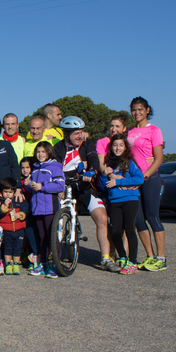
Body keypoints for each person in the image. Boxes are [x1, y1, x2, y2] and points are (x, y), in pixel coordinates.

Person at [53, 116, 115, 273]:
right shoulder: (58, 148)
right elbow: (55, 166)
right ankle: (53, 253)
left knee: (101, 217)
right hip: (65, 187)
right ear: (67, 134)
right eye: (76, 133)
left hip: (85, 187)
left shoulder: (87, 144)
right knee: (52, 216)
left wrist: (91, 171)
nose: (80, 136)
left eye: (81, 132)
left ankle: (106, 258)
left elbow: (94, 159)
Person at [128, 96, 166, 271]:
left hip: (150, 178)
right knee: (138, 220)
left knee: (152, 217)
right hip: (134, 180)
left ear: (147, 110)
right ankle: (150, 257)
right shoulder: (129, 132)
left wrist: (145, 176)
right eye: (134, 110)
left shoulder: (154, 130)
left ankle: (161, 258)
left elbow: (158, 159)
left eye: (140, 109)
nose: (137, 113)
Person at [99, 134, 144, 275]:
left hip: (130, 199)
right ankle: (123, 256)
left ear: (125, 147)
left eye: (121, 145)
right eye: (115, 145)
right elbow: (102, 187)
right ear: (111, 147)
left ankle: (132, 262)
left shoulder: (129, 162)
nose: (117, 148)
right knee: (115, 231)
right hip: (114, 201)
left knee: (130, 229)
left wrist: (119, 181)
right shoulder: (107, 163)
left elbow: (139, 178)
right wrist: (103, 174)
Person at [25, 142, 65, 279]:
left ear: (49, 152)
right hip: (37, 208)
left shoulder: (54, 167)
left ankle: (56, 264)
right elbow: (34, 188)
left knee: (51, 237)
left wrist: (42, 186)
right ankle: (44, 264)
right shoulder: (35, 168)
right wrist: (29, 186)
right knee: (41, 237)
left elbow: (60, 185)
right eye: (38, 152)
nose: (40, 154)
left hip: (50, 207)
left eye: (43, 152)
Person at [0, 177, 29, 275]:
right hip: (6, 230)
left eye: (10, 192)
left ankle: (15, 264)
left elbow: (26, 207)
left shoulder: (19, 199)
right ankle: (8, 264)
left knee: (17, 248)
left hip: (19, 229)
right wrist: (4, 207)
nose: (8, 194)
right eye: (5, 192)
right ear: (2, 192)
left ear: (14, 192)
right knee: (7, 248)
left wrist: (21, 214)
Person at [18, 157, 39, 270]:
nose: (25, 170)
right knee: (29, 232)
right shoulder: (19, 182)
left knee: (36, 233)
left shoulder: (35, 179)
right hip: (26, 212)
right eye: (22, 168)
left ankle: (36, 255)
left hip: (36, 210)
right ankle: (31, 255)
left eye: (27, 167)